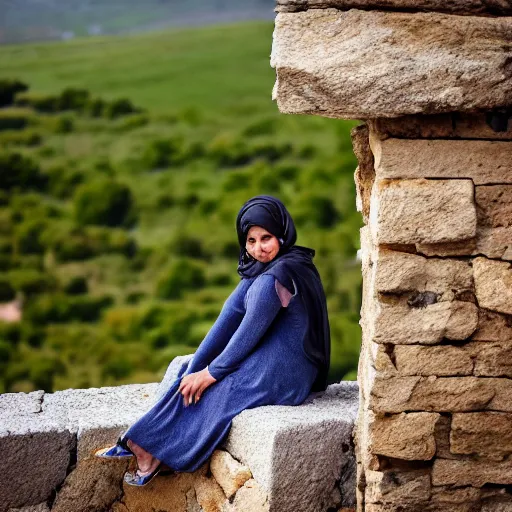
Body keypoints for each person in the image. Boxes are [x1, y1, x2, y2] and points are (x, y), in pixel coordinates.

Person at [95, 195, 331, 486]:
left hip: (290, 369)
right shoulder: (257, 271)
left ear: (281, 233)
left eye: (266, 238)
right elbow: (227, 321)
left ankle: (151, 450)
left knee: (220, 386)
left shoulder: (279, 275)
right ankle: (144, 438)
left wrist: (211, 373)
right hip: (268, 355)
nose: (259, 248)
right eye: (251, 241)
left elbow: (248, 333)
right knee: (185, 370)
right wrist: (198, 366)